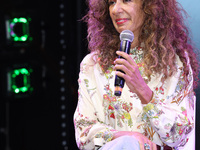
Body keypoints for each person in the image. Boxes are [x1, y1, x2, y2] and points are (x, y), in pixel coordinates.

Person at [73, 0, 199, 149]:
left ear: (149, 6)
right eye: (112, 2)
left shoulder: (174, 62)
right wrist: (125, 138)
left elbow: (180, 134)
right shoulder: (92, 65)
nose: (116, 9)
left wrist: (143, 90)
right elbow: (83, 133)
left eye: (126, 0)